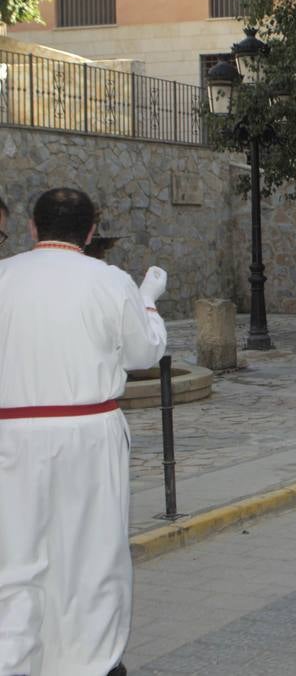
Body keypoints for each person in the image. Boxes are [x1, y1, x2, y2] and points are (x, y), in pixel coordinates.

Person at [0, 187, 167, 676]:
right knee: (91, 553)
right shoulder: (110, 281)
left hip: (11, 437)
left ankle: (14, 659)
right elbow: (142, 354)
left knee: (16, 556)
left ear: (33, 227)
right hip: (87, 434)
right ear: (91, 231)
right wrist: (149, 301)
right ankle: (90, 661)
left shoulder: (2, 277)